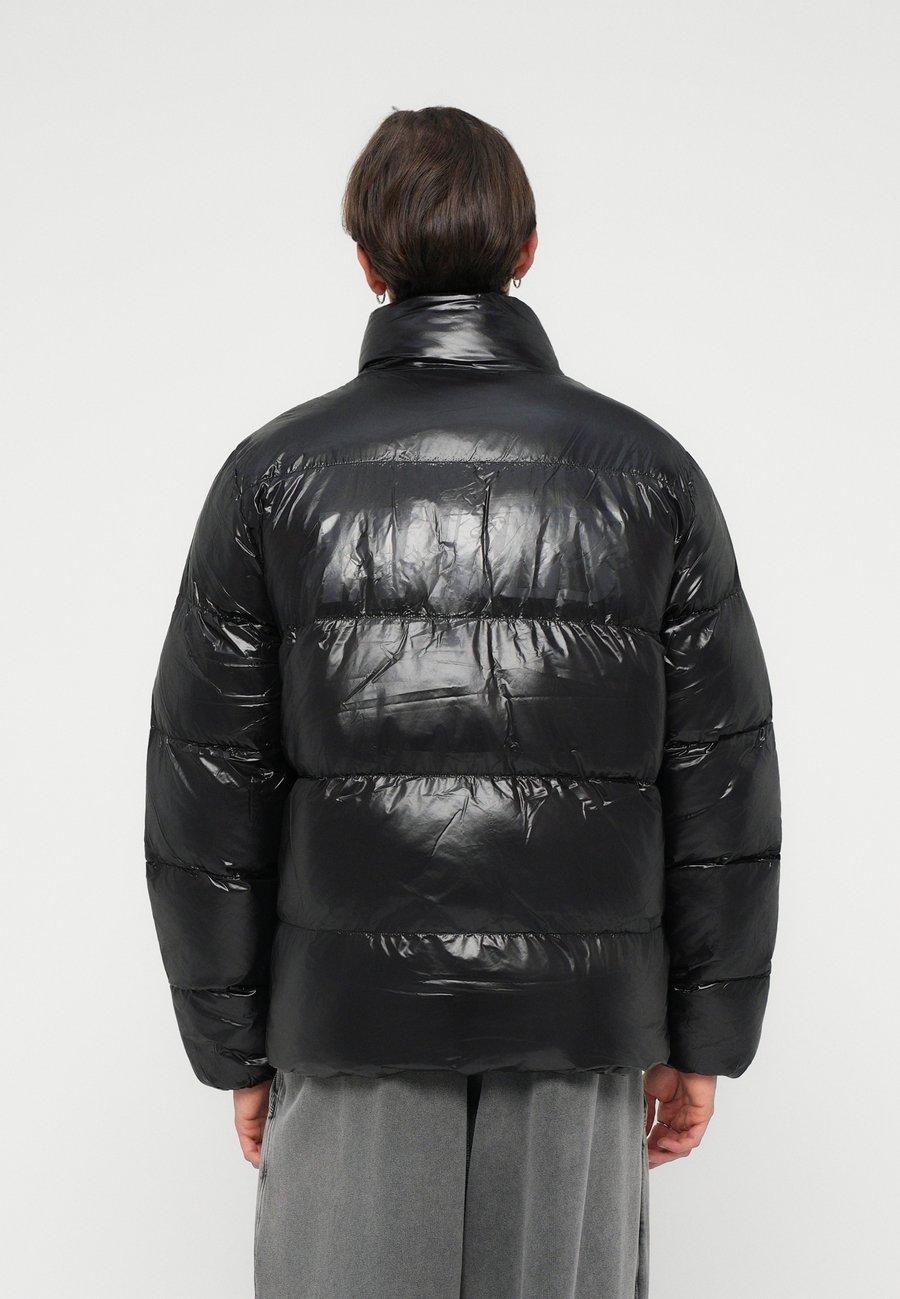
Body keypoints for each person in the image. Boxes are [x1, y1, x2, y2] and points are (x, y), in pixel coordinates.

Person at [145, 106, 780, 1298]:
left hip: (349, 1019)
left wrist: (237, 1046)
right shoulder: (650, 475)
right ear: (527, 250)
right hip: (582, 1023)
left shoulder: (272, 477)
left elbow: (208, 793)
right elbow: (722, 779)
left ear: (366, 262)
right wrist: (704, 1038)